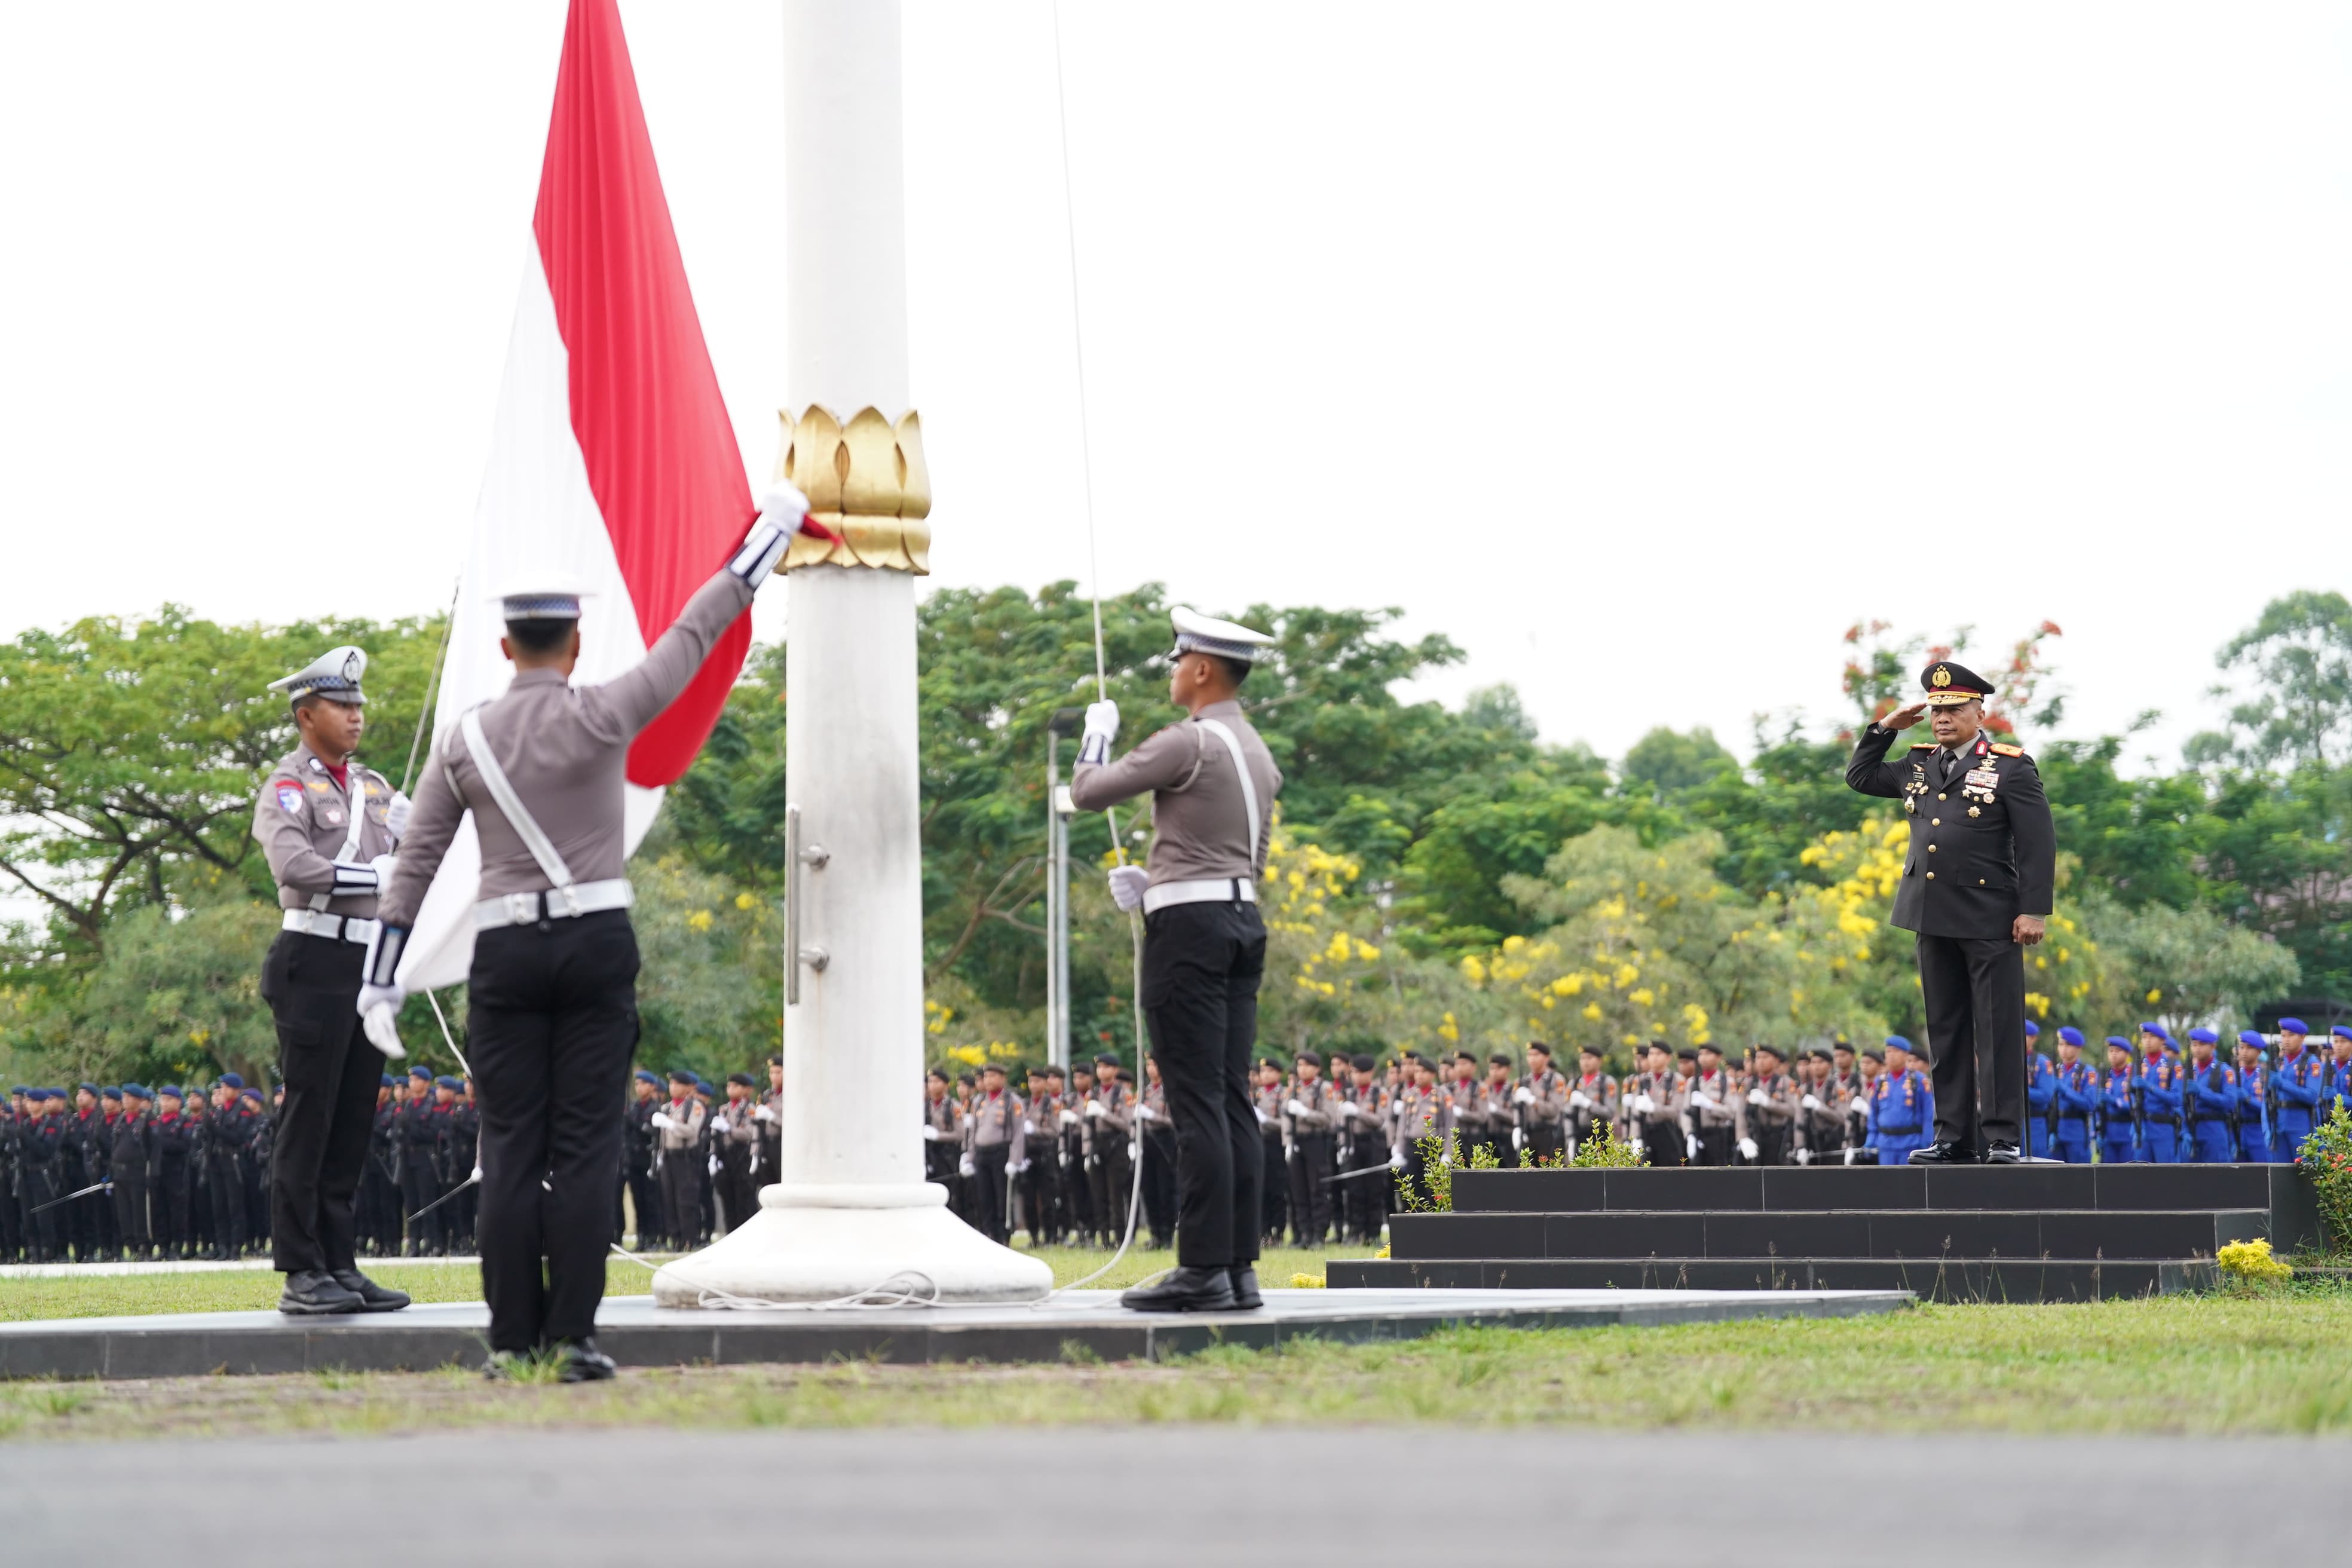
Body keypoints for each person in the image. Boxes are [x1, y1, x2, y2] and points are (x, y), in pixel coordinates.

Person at [362, 483, 808, 1380]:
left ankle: (508, 1342)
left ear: (503, 647)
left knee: (511, 1148)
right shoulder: (607, 711)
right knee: (588, 1148)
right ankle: (573, 1339)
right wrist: (774, 534)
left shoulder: (464, 742)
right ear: (571, 644)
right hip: (595, 945)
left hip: (507, 956)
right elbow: (698, 627)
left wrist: (383, 975)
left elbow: (414, 862)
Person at [1068, 607, 1284, 1312]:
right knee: (1230, 1099)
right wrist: (1157, 885)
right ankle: (1238, 1268)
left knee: (1195, 1103)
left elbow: (1088, 792)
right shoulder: (1257, 750)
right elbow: (1247, 860)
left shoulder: (1187, 741)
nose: (1171, 671)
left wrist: (1094, 738)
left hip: (1189, 932)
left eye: (1176, 660)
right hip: (1240, 919)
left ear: (1200, 668)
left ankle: (1200, 1269)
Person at [251, 644, 415, 1310]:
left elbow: (414, 853)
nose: (355, 716)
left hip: (366, 958)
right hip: (313, 959)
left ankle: (340, 1263)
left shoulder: (373, 787)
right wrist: (370, 875)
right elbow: (293, 865)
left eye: (358, 706)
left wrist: (417, 834)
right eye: (342, 706)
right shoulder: (288, 785)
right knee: (309, 1117)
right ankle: (300, 1269)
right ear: (305, 713)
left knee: (352, 1119)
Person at [1845, 659, 2056, 1163]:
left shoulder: (2010, 766)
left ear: (1979, 711)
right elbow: (1860, 776)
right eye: (1936, 710)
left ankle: (2002, 1138)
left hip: (1990, 917)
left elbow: (2037, 843)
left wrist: (2035, 911)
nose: (1942, 718)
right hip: (1931, 916)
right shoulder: (1917, 762)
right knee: (1945, 1029)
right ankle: (1952, 1137)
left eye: (1954, 709)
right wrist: (1883, 730)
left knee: (1997, 1028)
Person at [960, 1062, 1020, 1246]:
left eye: (993, 1076)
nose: (989, 1080)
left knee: (1001, 1197)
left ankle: (1003, 1236)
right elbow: (972, 1133)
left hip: (1001, 1153)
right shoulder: (978, 1101)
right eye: (986, 1077)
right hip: (981, 1153)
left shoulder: (1012, 1101)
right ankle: (988, 1234)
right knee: (984, 1197)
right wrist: (968, 1157)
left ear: (1003, 1078)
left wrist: (1014, 1160)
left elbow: (1018, 1134)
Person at [1284, 1051, 1338, 1245]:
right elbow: (1286, 1119)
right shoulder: (1294, 1089)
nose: (1302, 1069)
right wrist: (1288, 1142)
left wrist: (1306, 1113)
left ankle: (1318, 1234)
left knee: (1317, 1189)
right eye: (1299, 1066)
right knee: (1298, 1190)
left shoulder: (1324, 1088)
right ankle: (1304, 1233)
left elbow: (1328, 1118)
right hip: (1297, 1142)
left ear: (1316, 1069)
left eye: (1307, 1065)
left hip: (1316, 1141)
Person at [1868, 1040, 1933, 1166]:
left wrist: (1927, 1142)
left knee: (1909, 1183)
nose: (1892, 1055)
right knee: (1888, 1183)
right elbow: (1874, 1113)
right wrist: (1871, 1139)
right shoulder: (1880, 1082)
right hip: (1886, 1144)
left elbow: (1928, 1113)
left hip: (1912, 1143)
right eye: (1888, 1051)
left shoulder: (1919, 1080)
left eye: (1896, 1051)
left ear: (1906, 1055)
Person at [2270, 1020, 2326, 1161]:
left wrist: (2282, 1084)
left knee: (2305, 1172)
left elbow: (2312, 1096)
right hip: (2279, 1125)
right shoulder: (2279, 1063)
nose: (2286, 1040)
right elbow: (2268, 1098)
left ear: (2302, 1037)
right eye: (2283, 1036)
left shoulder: (2311, 1062)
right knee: (2280, 1174)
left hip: (2301, 1126)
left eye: (2291, 1036)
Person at [2183, 1030, 2237, 1164]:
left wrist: (2202, 1092)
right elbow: (2180, 1104)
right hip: (2192, 1129)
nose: (2197, 1048)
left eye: (2202, 1044)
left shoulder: (2224, 1071)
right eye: (2194, 1044)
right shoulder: (2188, 1072)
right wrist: (2184, 1131)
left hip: (2214, 1129)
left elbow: (2230, 1102)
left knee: (2215, 1177)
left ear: (2213, 1047)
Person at [2135, 1026, 2183, 1163]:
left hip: (2163, 1128)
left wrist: (2150, 1088)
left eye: (2152, 1037)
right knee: (2139, 1176)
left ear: (2162, 1040)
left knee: (2165, 1178)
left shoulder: (2172, 1065)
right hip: (2143, 1128)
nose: (2148, 1041)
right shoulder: (2138, 1065)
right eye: (2144, 1037)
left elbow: (2176, 1099)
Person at [2050, 1028, 2097, 1165]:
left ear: (2078, 1048)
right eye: (2061, 1044)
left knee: (2079, 1178)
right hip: (2057, 1130)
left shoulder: (2088, 1072)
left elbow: (2089, 1104)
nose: (2063, 1049)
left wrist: (2064, 1091)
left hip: (2077, 1132)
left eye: (2068, 1045)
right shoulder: (2056, 1070)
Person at [2097, 1040, 2140, 1165]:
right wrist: (2097, 1132)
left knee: (2128, 1175)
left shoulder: (2133, 1075)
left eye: (2118, 1051)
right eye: (2111, 1051)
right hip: (2109, 1132)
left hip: (2127, 1132)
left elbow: (2136, 1105)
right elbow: (2098, 1107)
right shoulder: (2105, 1075)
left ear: (2127, 1054)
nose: (2113, 1054)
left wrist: (2116, 1102)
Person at [2234, 1034, 2274, 1163]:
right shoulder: (2234, 1074)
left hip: (2257, 1130)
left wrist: (2248, 1099)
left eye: (2249, 1048)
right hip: (2238, 1130)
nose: (2244, 1051)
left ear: (2259, 1051)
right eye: (2242, 1047)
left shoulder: (2264, 1075)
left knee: (2261, 1173)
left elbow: (2267, 1106)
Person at [2023, 1022, 2056, 1159]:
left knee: (2035, 1164)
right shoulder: (2008, 1060)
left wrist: (2022, 1092)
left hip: (2035, 1123)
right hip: (2014, 1123)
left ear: (2034, 1039)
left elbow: (2046, 1095)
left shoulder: (2042, 1062)